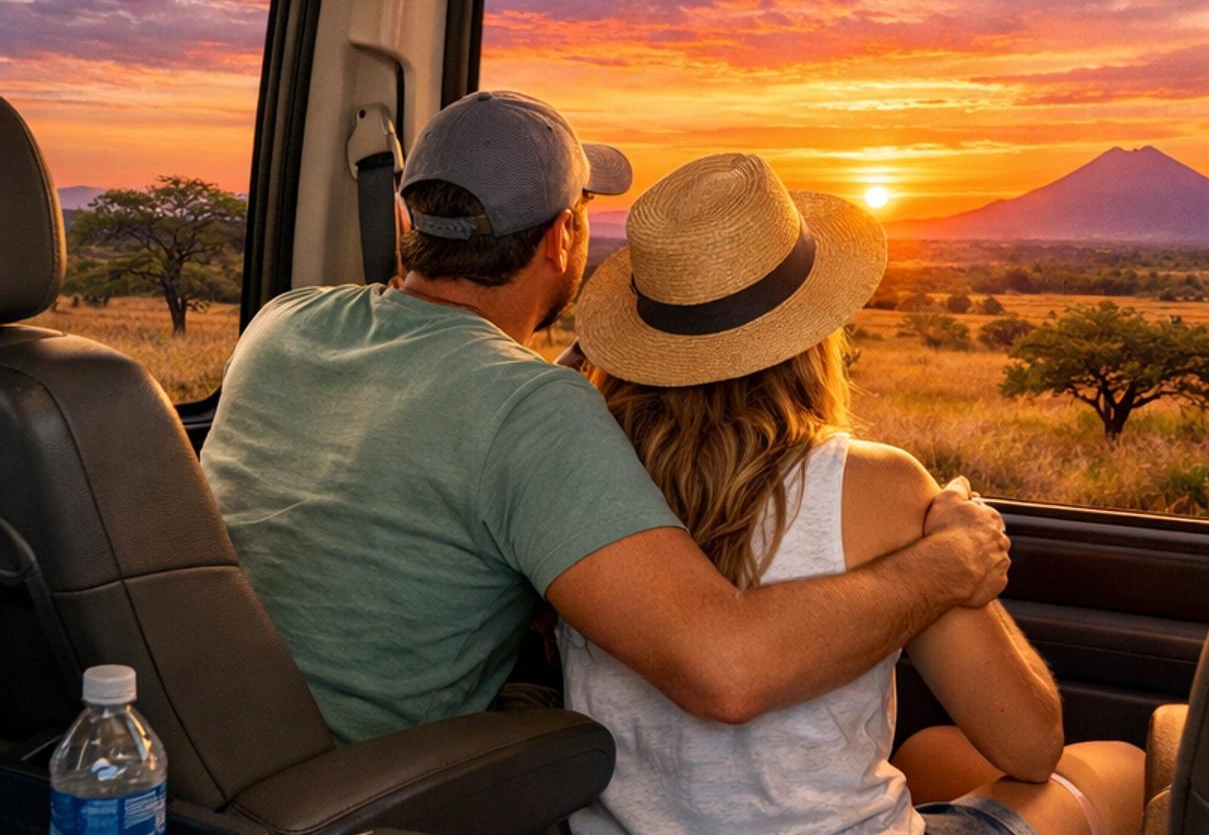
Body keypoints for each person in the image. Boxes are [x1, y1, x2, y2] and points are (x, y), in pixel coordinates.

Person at [560, 150, 1144, 835]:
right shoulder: (869, 484)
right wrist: (961, 563)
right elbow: (1031, 742)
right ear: (813, 330)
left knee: (926, 759)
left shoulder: (580, 485)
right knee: (1116, 771)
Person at [202, 91, 1009, 747]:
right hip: (369, 801)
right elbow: (725, 673)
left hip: (223, 746)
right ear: (563, 238)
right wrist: (943, 564)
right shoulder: (531, 408)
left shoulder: (284, 321)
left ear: (410, 222)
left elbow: (429, 410)